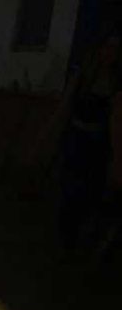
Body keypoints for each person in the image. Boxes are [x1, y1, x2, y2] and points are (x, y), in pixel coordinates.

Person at [59, 29, 122, 254]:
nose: (110, 53)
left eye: (116, 48)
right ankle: (67, 236)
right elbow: (66, 106)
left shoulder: (116, 82)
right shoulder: (85, 75)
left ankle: (84, 237)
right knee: (71, 188)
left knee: (91, 191)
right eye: (108, 47)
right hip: (77, 139)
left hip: (99, 145)